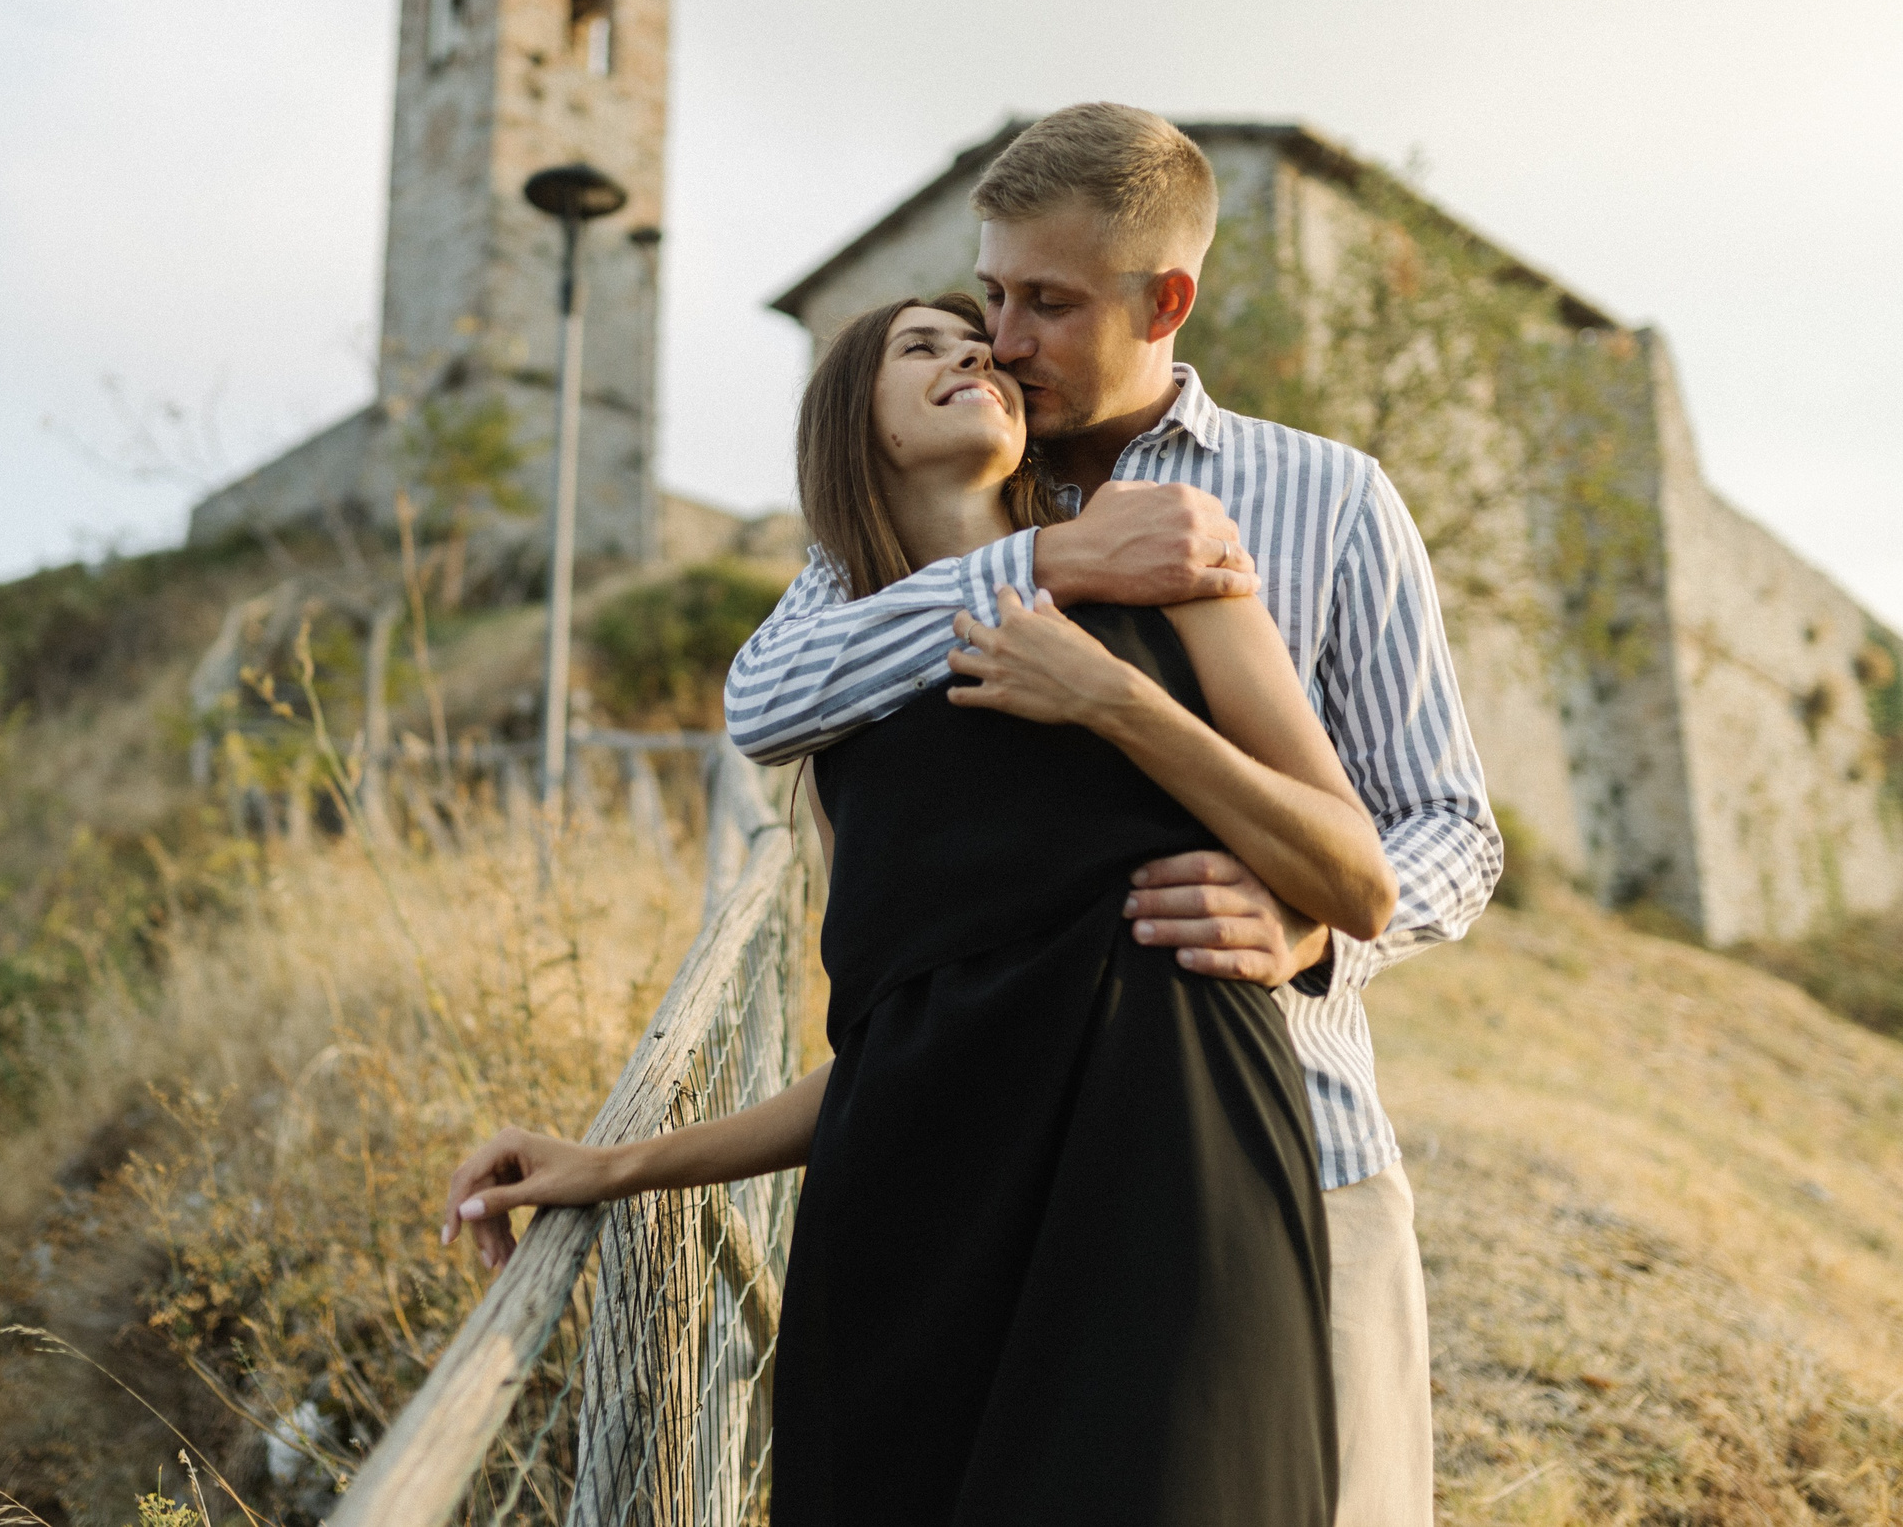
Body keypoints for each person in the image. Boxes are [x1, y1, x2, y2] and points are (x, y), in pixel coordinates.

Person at [444, 290, 1399, 1524]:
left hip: (1177, 1189)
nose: (973, 354)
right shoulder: (836, 725)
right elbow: (892, 1050)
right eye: (922, 347)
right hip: (909, 1239)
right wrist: (616, 1162)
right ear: (863, 428)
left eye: (979, 340)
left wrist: (1113, 701)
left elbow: (1357, 877)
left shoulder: (1170, 565)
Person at [722, 103, 1503, 1527]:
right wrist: (1051, 553)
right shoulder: (957, 480)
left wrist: (1311, 923)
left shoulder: (1323, 496)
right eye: (992, 292)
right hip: (981, 1168)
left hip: (1286, 1151)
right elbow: (770, 696)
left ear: (1166, 302)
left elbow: (1449, 822)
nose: (1002, 337)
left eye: (1047, 303)